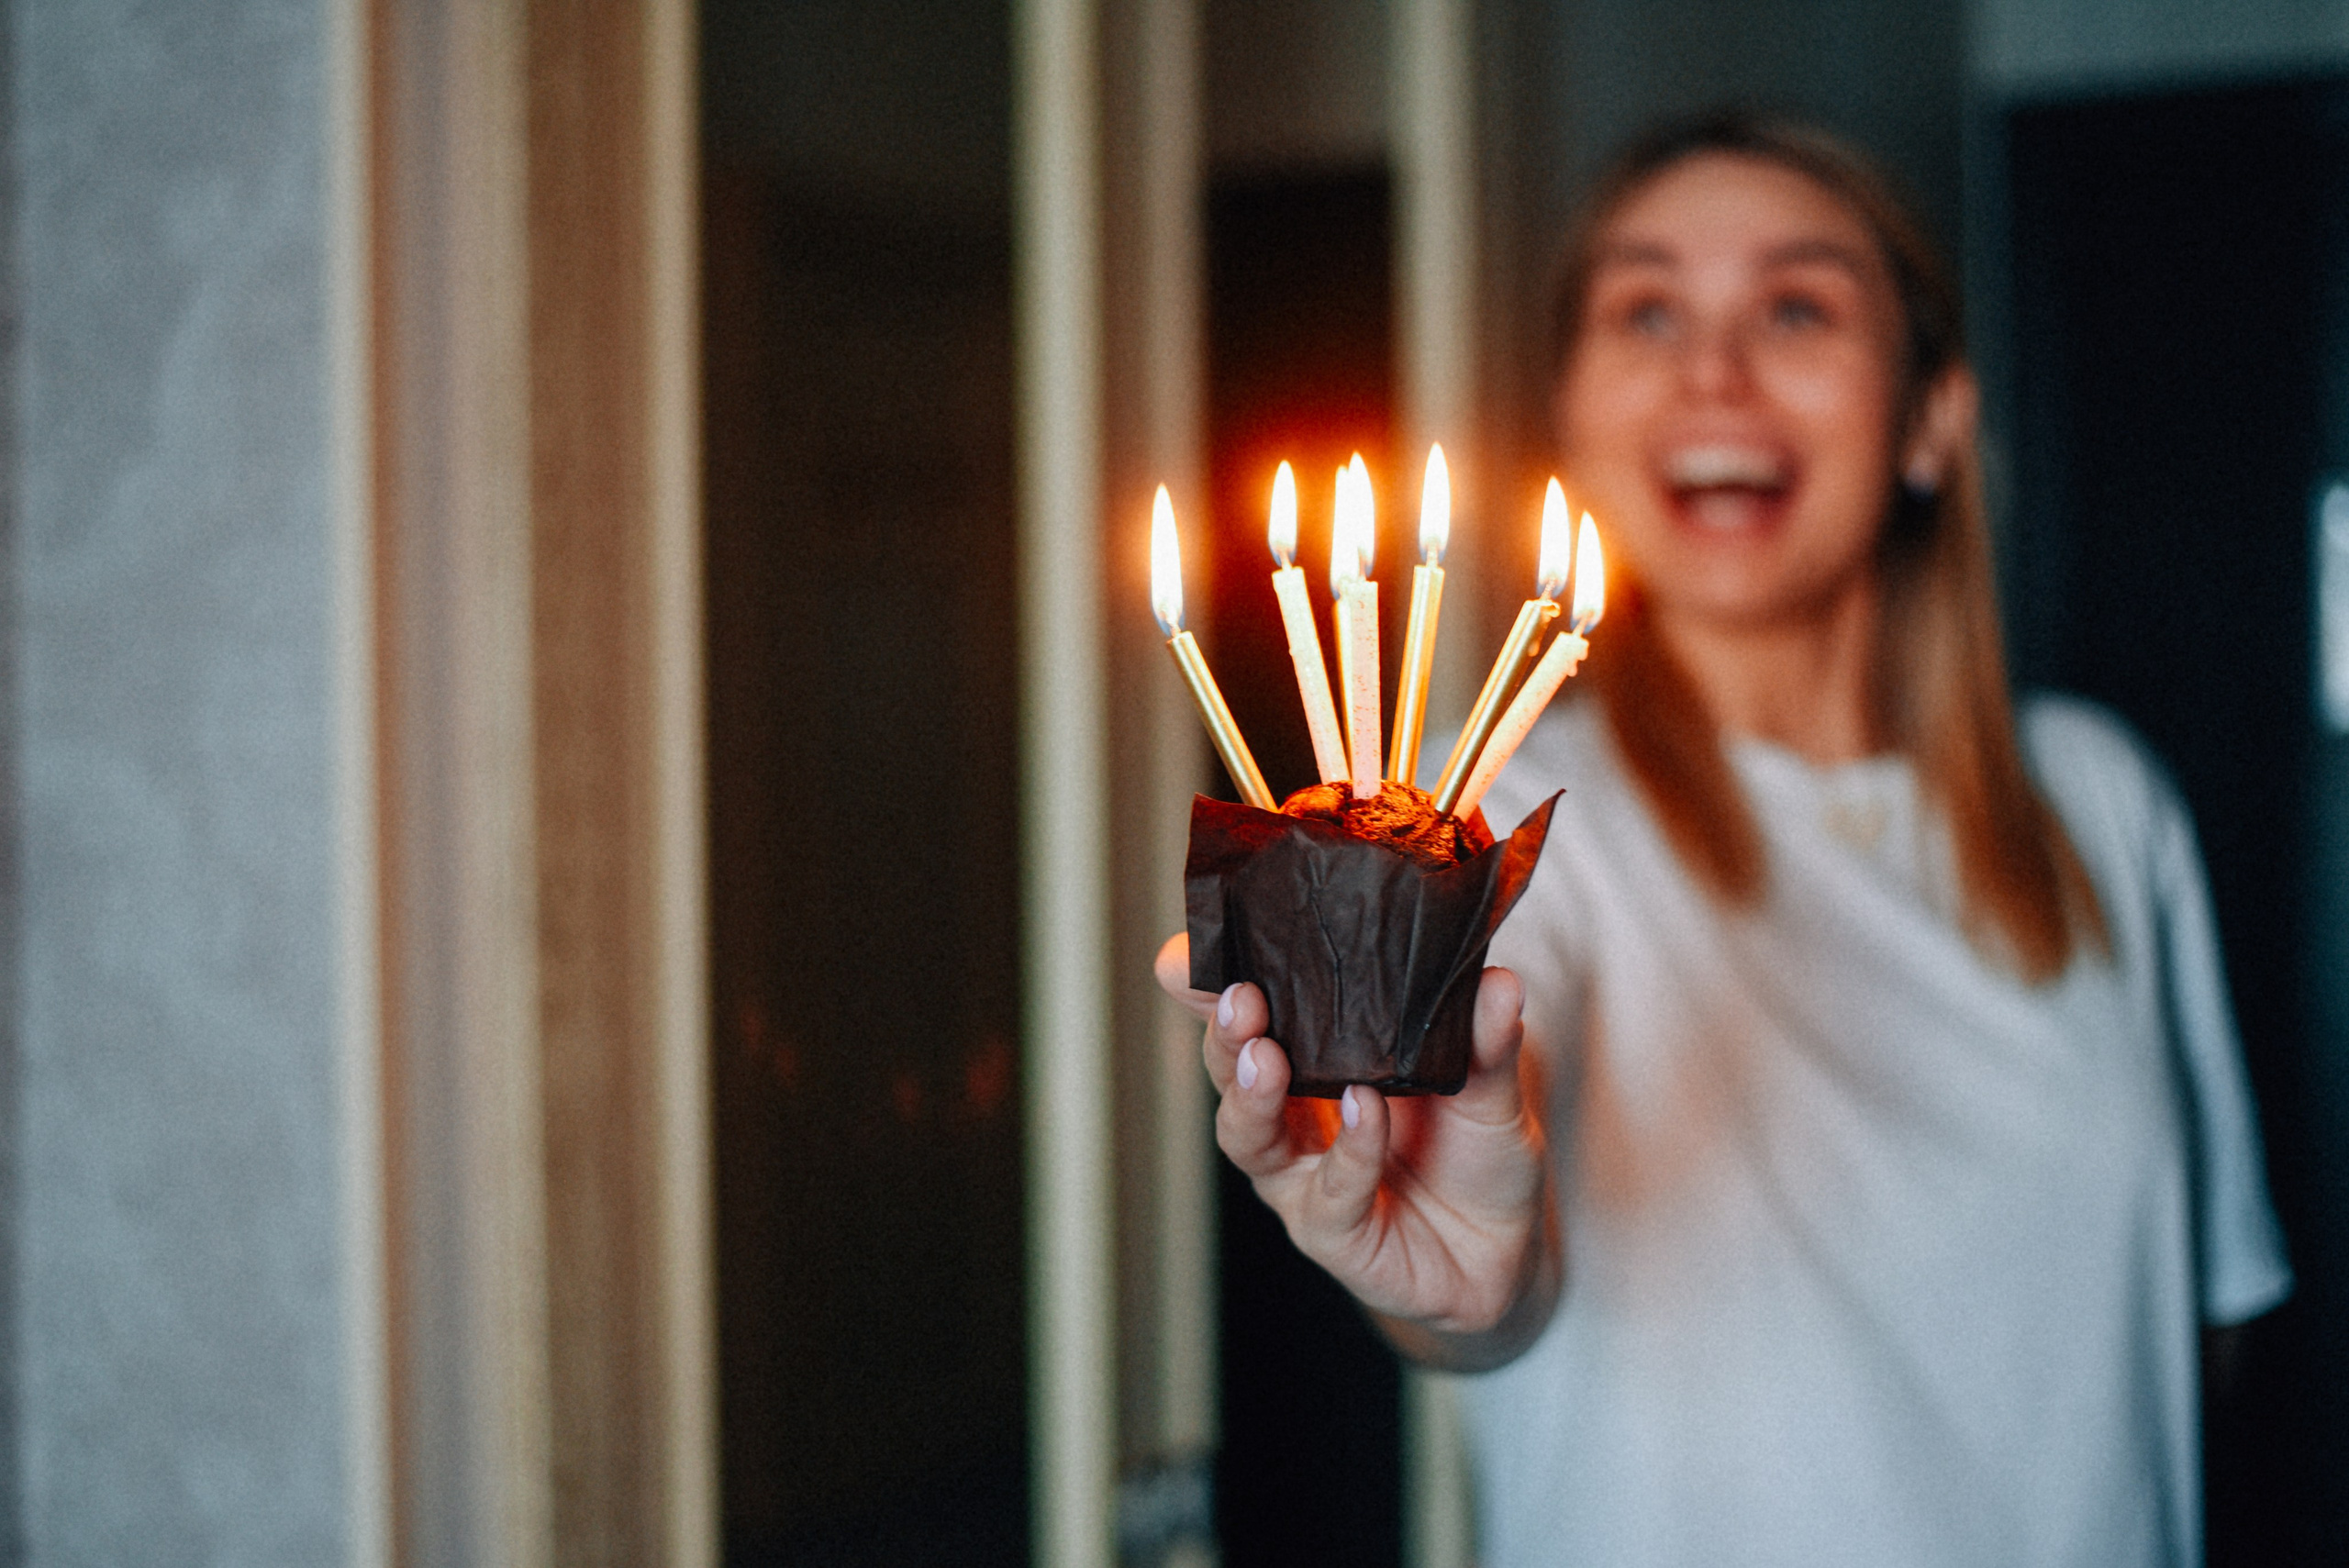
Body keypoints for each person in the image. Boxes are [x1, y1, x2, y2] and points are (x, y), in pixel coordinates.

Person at [1154, 113, 2291, 1566]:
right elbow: (1484, 1246)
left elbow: (2193, 1331)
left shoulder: (2103, 802)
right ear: (1571, 414)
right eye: (1648, 310)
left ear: (1934, 414)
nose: (1713, 372)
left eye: (1797, 306)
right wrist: (1455, 1279)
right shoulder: (1476, 820)